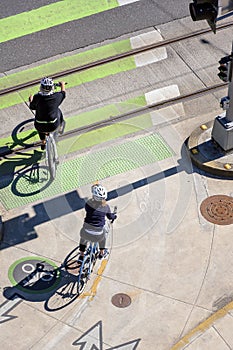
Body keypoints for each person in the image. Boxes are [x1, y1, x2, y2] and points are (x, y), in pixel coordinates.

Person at [78, 184, 117, 262]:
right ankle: (101, 253)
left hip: (86, 232)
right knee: (103, 235)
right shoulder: (106, 207)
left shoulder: (88, 204)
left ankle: (81, 255)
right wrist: (114, 216)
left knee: (83, 238)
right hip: (98, 235)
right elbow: (110, 217)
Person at [29, 77, 66, 150]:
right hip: (53, 125)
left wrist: (31, 101)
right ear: (52, 88)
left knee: (40, 127)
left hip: (40, 126)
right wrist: (62, 85)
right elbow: (63, 93)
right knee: (58, 110)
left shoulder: (37, 97)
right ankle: (60, 127)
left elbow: (32, 107)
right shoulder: (56, 96)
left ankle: (43, 142)